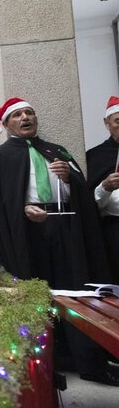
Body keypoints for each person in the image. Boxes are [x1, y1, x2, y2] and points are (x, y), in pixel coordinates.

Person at [0, 97, 116, 385]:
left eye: (30, 113)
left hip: (64, 226)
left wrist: (69, 178)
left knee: (75, 291)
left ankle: (88, 362)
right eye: (18, 115)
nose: (26, 118)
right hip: (26, 231)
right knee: (35, 291)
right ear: (6, 125)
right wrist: (22, 210)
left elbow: (82, 191)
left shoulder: (56, 151)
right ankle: (41, 366)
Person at [86, 96, 119, 282]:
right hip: (114, 229)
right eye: (118, 121)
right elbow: (88, 203)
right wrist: (104, 188)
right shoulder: (95, 156)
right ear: (107, 124)